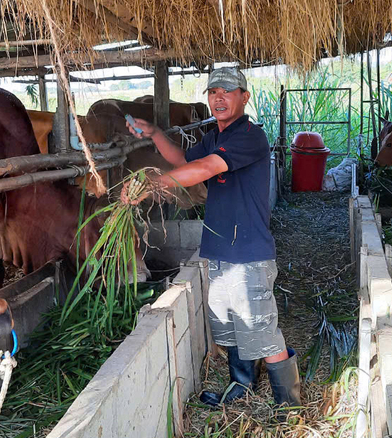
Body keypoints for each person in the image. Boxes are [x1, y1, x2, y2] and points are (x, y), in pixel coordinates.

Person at [121, 67, 301, 409]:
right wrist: (155, 133)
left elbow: (203, 170)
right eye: (213, 91)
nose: (218, 97)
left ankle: (289, 404)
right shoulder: (215, 137)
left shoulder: (249, 136)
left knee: (261, 329)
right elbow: (183, 159)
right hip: (220, 249)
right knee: (231, 325)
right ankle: (242, 385)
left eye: (227, 91)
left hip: (247, 251)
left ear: (244, 98)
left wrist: (153, 184)